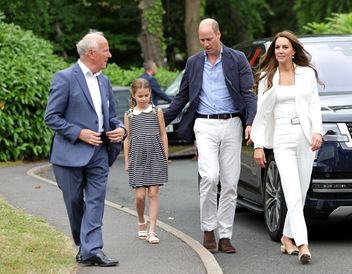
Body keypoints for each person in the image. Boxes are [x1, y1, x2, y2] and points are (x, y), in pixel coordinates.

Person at [164, 18, 257, 254]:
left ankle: (225, 234)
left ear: (219, 35)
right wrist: (159, 122)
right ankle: (208, 228)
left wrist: (250, 122)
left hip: (232, 124)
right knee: (209, 176)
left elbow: (248, 93)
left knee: (229, 182)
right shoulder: (194, 63)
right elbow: (181, 97)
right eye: (202, 39)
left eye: (209, 39)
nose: (205, 43)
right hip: (204, 125)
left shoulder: (237, 59)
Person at [44, 31, 126, 267]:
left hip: (100, 152)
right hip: (69, 155)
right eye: (106, 50)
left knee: (96, 201)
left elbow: (111, 117)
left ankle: (92, 249)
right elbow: (51, 117)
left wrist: (121, 129)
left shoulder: (104, 80)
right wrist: (78, 132)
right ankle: (85, 246)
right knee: (74, 203)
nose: (109, 54)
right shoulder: (65, 78)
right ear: (92, 53)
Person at [251, 30, 323, 264]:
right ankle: (303, 245)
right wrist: (259, 146)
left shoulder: (307, 74)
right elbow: (262, 114)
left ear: (293, 51)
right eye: (277, 48)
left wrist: (317, 132)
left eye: (284, 47)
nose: (280, 51)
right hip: (281, 137)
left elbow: (314, 105)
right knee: (291, 191)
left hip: (304, 137)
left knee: (300, 192)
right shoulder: (266, 77)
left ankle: (286, 237)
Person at [123, 78, 168, 244]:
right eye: (140, 96)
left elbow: (163, 134)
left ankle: (152, 231)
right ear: (134, 96)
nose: (143, 99)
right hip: (137, 157)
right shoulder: (129, 115)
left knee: (153, 193)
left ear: (150, 94)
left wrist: (165, 156)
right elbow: (126, 139)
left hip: (156, 155)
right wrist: (127, 161)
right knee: (141, 196)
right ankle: (141, 220)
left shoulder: (157, 112)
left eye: (146, 95)